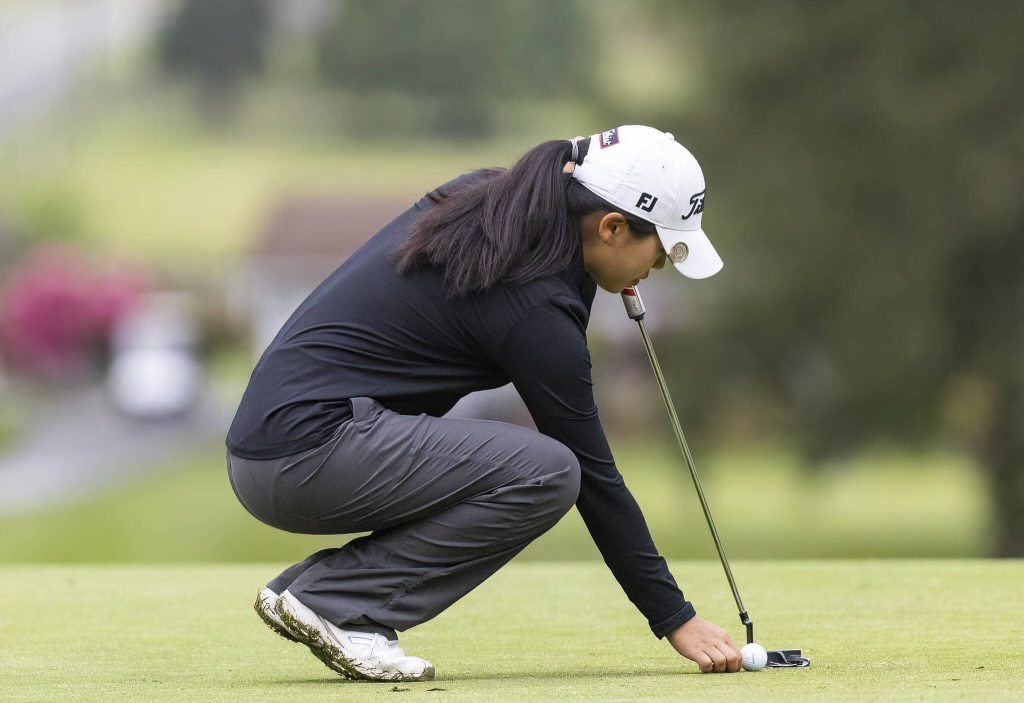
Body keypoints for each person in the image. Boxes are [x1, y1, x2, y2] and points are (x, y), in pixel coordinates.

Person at [226, 125, 741, 682]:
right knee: (549, 472)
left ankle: (310, 592)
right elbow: (593, 475)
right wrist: (674, 617)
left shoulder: (492, 201)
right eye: (662, 251)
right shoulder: (535, 303)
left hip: (273, 448)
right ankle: (340, 603)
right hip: (307, 455)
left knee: (537, 466)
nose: (659, 267)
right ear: (612, 227)